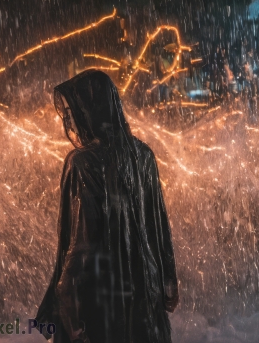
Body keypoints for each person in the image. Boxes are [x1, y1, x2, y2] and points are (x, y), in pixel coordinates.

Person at [36, 70, 179, 343]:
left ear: (90, 111)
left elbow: (80, 243)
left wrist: (67, 298)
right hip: (144, 293)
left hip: (101, 298)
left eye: (72, 112)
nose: (69, 122)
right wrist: (169, 280)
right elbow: (159, 226)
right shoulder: (143, 155)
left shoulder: (81, 163)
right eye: (66, 114)